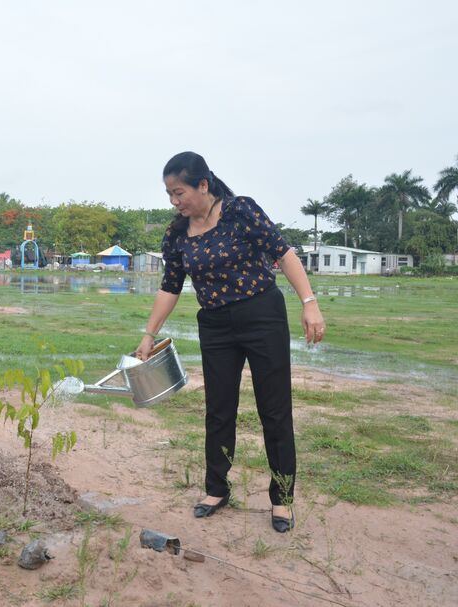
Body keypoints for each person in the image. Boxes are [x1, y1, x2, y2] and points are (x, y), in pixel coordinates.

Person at [136, 151, 325, 534]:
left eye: (179, 192)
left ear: (202, 185)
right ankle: (216, 489)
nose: (174, 201)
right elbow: (170, 287)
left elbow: (283, 254)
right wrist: (148, 335)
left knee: (274, 410)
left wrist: (310, 304)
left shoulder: (240, 210)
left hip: (262, 316)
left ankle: (282, 499)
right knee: (218, 409)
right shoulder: (176, 234)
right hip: (216, 325)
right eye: (169, 194)